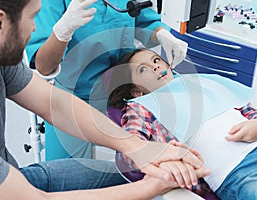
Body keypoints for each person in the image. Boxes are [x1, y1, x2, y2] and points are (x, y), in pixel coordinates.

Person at [0, 1, 213, 199]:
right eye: (33, 17)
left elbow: (55, 104)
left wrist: (138, 146)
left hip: (12, 176)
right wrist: (149, 187)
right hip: (10, 192)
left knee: (122, 176)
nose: (35, 27)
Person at [25, 0, 188, 160]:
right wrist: (63, 31)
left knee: (153, 156)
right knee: (63, 174)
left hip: (125, 92)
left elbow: (143, 21)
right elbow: (44, 66)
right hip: (74, 97)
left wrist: (161, 34)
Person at [106, 48, 257, 200]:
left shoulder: (201, 83)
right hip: (239, 173)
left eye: (156, 60)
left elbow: (247, 108)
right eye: (143, 69)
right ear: (137, 91)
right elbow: (131, 148)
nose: (155, 66)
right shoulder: (141, 107)